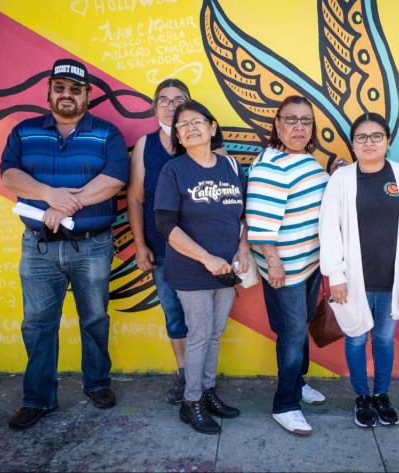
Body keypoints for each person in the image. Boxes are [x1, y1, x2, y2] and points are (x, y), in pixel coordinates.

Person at [0, 58, 129, 429]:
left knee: (95, 318)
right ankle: (38, 399)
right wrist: (49, 195)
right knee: (38, 324)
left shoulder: (107, 133)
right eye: (60, 88)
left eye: (75, 89)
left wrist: (65, 205)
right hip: (38, 246)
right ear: (49, 92)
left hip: (92, 245)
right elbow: (9, 175)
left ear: (87, 95)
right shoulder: (25, 132)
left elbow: (114, 179)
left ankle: (97, 384)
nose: (67, 95)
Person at [319, 113, 399, 428]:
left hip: (392, 279)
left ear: (388, 141)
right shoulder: (341, 180)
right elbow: (328, 229)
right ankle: (362, 397)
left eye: (376, 136)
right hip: (354, 280)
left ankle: (381, 395)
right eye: (361, 137)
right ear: (353, 143)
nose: (369, 143)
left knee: (384, 339)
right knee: (356, 338)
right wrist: (336, 275)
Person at [154, 100, 248, 434]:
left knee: (216, 333)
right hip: (192, 270)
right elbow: (166, 224)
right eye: (183, 125)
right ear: (178, 136)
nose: (192, 128)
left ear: (212, 127)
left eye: (198, 122)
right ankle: (190, 402)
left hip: (225, 270)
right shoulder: (174, 170)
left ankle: (207, 392)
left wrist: (243, 247)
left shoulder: (231, 167)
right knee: (200, 335)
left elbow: (241, 215)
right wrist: (205, 258)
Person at [246, 96, 330, 435]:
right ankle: (285, 404)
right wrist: (274, 262)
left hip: (307, 265)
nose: (298, 127)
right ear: (277, 124)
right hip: (286, 269)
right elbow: (259, 223)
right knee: (293, 334)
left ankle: (297, 383)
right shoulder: (271, 166)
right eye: (291, 120)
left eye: (305, 121)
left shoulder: (306, 159)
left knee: (298, 329)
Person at [126, 78, 191, 404]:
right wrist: (140, 244)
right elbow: (135, 198)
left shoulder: (199, 141)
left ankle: (202, 380)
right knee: (173, 313)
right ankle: (184, 375)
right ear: (154, 106)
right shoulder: (144, 145)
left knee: (203, 318)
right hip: (161, 248)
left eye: (178, 99)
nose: (170, 104)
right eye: (163, 99)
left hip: (200, 251)